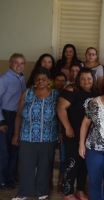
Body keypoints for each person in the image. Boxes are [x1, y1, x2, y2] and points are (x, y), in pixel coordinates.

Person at [12, 67, 59, 200]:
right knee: (26, 164)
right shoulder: (27, 93)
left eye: (43, 79)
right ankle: (23, 192)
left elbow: (60, 115)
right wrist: (16, 134)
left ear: (48, 80)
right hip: (27, 135)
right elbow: (19, 115)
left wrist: (61, 133)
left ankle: (42, 192)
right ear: (34, 81)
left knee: (45, 165)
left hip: (49, 136)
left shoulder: (55, 94)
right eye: (38, 79)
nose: (41, 81)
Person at [58, 68, 100, 200]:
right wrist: (67, 127)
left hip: (91, 136)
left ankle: (80, 190)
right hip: (73, 134)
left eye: (89, 79)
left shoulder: (97, 93)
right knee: (73, 163)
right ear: (78, 79)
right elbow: (61, 108)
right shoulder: (72, 90)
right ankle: (68, 192)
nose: (86, 81)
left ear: (93, 80)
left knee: (84, 164)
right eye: (83, 79)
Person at [0, 53, 27, 190]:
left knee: (14, 149)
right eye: (16, 62)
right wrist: (1, 120)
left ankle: (10, 177)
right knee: (3, 151)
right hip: (5, 117)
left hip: (18, 116)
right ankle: (1, 180)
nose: (19, 65)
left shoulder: (22, 78)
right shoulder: (4, 79)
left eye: (22, 63)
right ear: (10, 63)